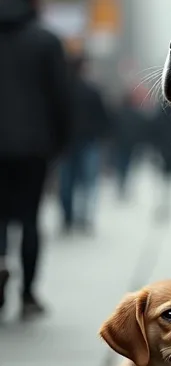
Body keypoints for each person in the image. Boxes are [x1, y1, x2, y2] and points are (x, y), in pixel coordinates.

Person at [0, 0, 71, 319]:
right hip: (32, 146)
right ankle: (27, 294)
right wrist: (58, 143)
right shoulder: (46, 41)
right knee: (29, 218)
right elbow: (61, 97)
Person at [59, 53, 110, 233]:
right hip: (88, 141)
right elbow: (104, 117)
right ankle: (84, 217)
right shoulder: (92, 90)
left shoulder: (63, 90)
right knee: (88, 181)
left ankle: (68, 217)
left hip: (66, 143)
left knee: (67, 181)